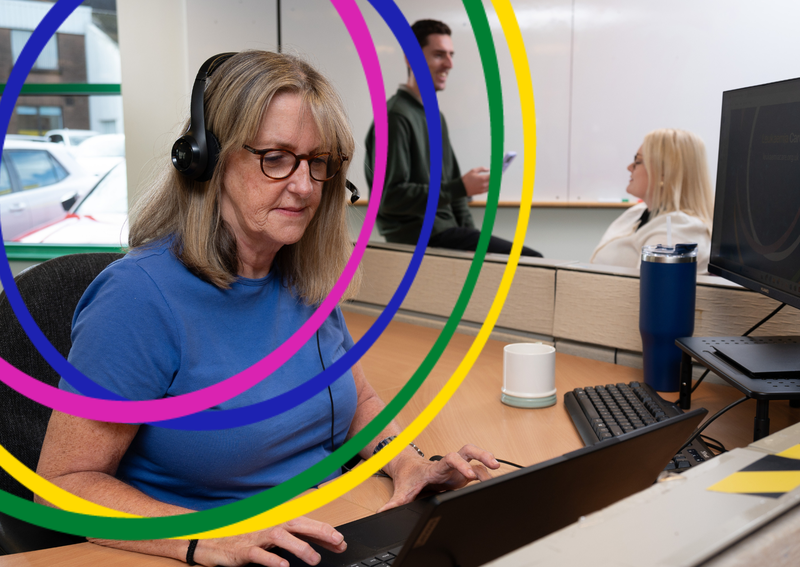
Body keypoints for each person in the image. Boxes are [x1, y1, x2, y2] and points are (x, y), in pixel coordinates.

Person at [35, 51, 499, 567]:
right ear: (209, 160)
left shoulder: (300, 274)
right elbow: (62, 486)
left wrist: (407, 462)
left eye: (316, 162)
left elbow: (358, 400)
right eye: (275, 157)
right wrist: (209, 537)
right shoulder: (138, 298)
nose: (304, 187)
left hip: (331, 531)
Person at [364, 19, 541, 257]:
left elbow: (455, 194)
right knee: (531, 261)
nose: (449, 64)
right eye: (439, 55)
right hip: (422, 236)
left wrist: (473, 239)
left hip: (447, 234)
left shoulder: (436, 116)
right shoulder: (395, 117)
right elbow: (391, 198)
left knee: (518, 263)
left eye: (451, 55)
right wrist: (460, 187)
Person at [590, 128, 714, 272]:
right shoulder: (638, 211)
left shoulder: (677, 231)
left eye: (638, 161)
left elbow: (650, 291)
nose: (629, 167)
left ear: (663, 172)